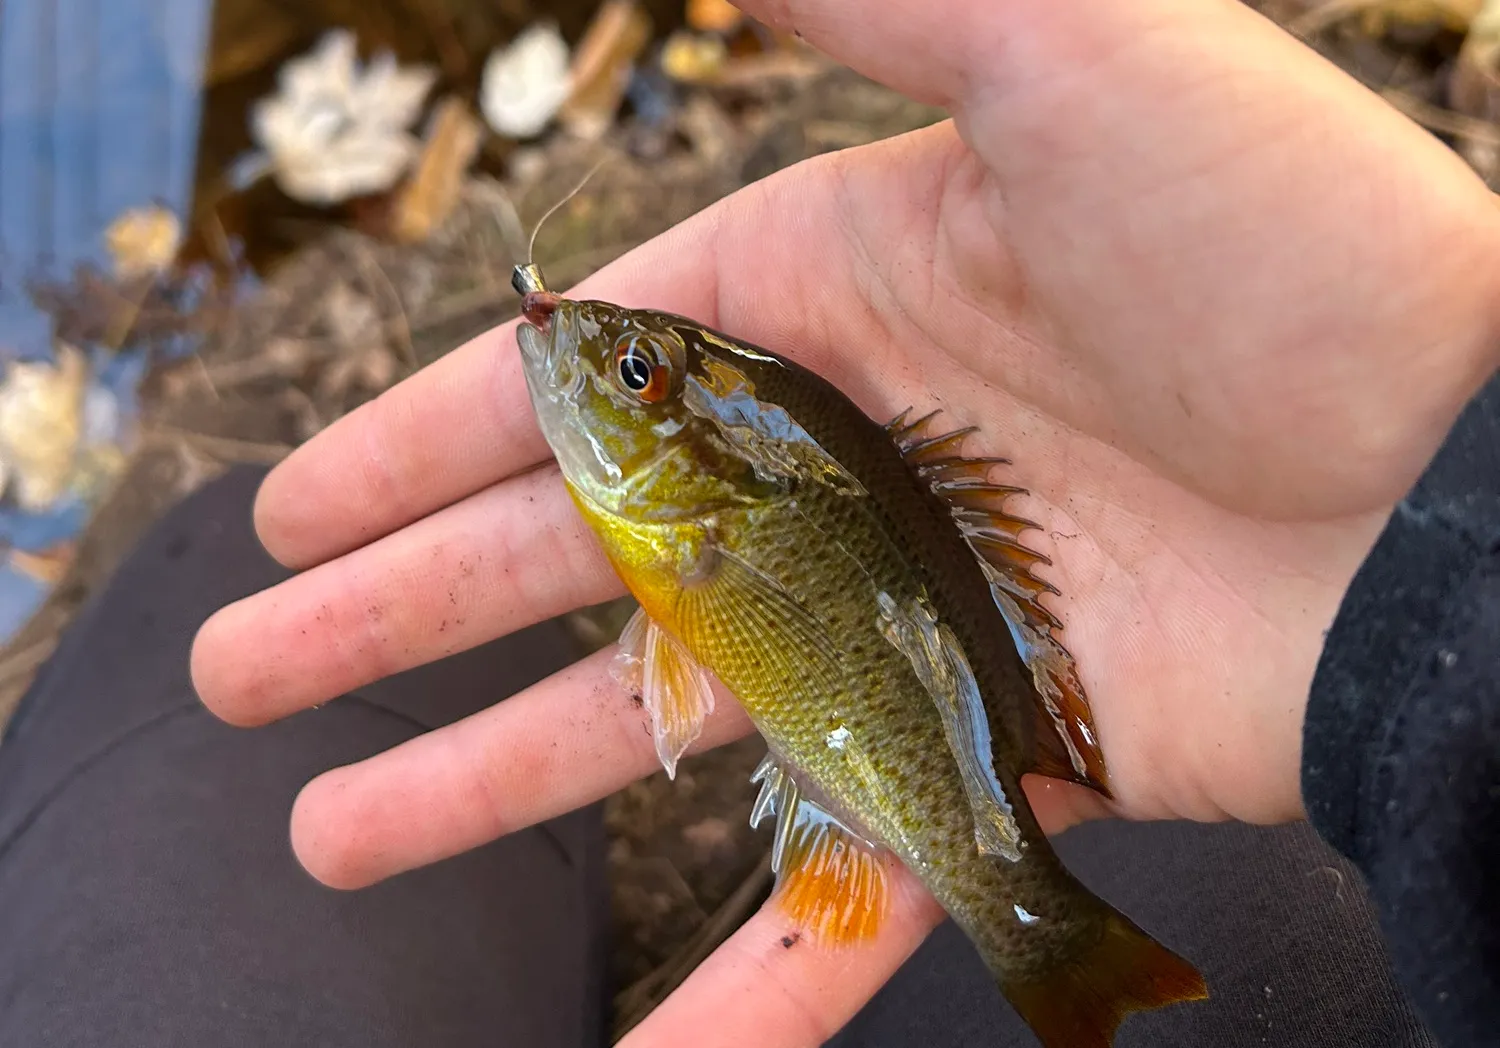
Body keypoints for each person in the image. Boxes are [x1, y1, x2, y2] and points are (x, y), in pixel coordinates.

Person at [0, 0, 1495, 1045]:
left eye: (635, 371)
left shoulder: (694, 530)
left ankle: (1041, 942)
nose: (590, 349)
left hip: (994, 742)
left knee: (211, 550)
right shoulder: (688, 513)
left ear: (699, 467)